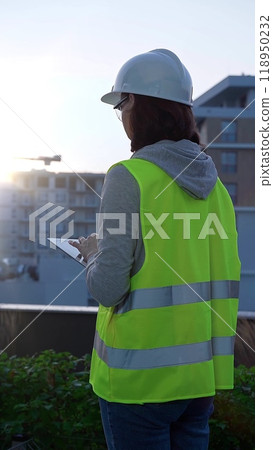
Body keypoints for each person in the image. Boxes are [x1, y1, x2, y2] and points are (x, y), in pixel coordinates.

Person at [71, 49, 241, 450]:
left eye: (122, 104)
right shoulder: (216, 188)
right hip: (198, 383)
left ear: (140, 108)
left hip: (138, 386)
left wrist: (93, 252)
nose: (122, 116)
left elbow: (109, 288)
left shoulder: (128, 177)